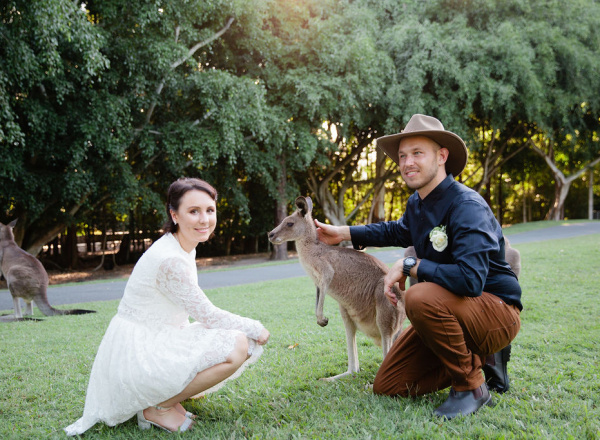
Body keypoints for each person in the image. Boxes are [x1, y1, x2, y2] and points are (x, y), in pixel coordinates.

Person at [314, 114, 522, 419]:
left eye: (417, 153)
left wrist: (411, 264)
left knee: (418, 296)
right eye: (402, 156)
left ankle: (471, 387)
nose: (407, 162)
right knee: (389, 384)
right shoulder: (418, 203)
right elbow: (396, 231)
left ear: (441, 157)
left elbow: (471, 281)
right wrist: (342, 233)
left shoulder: (467, 206)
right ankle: (481, 356)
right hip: (453, 311)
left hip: (495, 310)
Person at [65, 178, 270, 435]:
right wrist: (255, 327)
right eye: (193, 211)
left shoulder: (182, 245)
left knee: (236, 341)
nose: (204, 219)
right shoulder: (170, 258)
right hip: (140, 351)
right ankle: (158, 407)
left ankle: (169, 399)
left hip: (158, 337)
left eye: (210, 210)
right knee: (240, 343)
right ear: (174, 215)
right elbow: (206, 314)